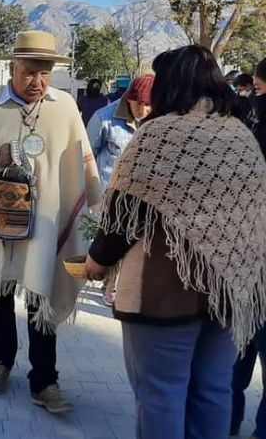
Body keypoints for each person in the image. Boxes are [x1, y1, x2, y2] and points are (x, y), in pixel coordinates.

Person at [85, 45, 266, 439]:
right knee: (213, 390)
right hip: (229, 289)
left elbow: (122, 216)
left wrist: (97, 261)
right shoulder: (241, 135)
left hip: (164, 292)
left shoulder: (159, 135)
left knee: (161, 393)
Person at [0, 30, 102, 414]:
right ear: (12, 67)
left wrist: (92, 210)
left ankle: (44, 381)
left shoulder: (64, 107)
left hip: (46, 221)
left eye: (45, 73)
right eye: (29, 72)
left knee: (40, 293)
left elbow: (81, 161)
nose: (38, 82)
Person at [230, 59, 266, 439]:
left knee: (237, 354)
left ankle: (226, 421)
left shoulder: (245, 130)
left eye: (256, 88)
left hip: (247, 260)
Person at [87, 74, 153, 190]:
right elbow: (87, 158)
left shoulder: (159, 120)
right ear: (129, 99)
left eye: (147, 105)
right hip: (108, 193)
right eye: (138, 103)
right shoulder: (102, 119)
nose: (142, 110)